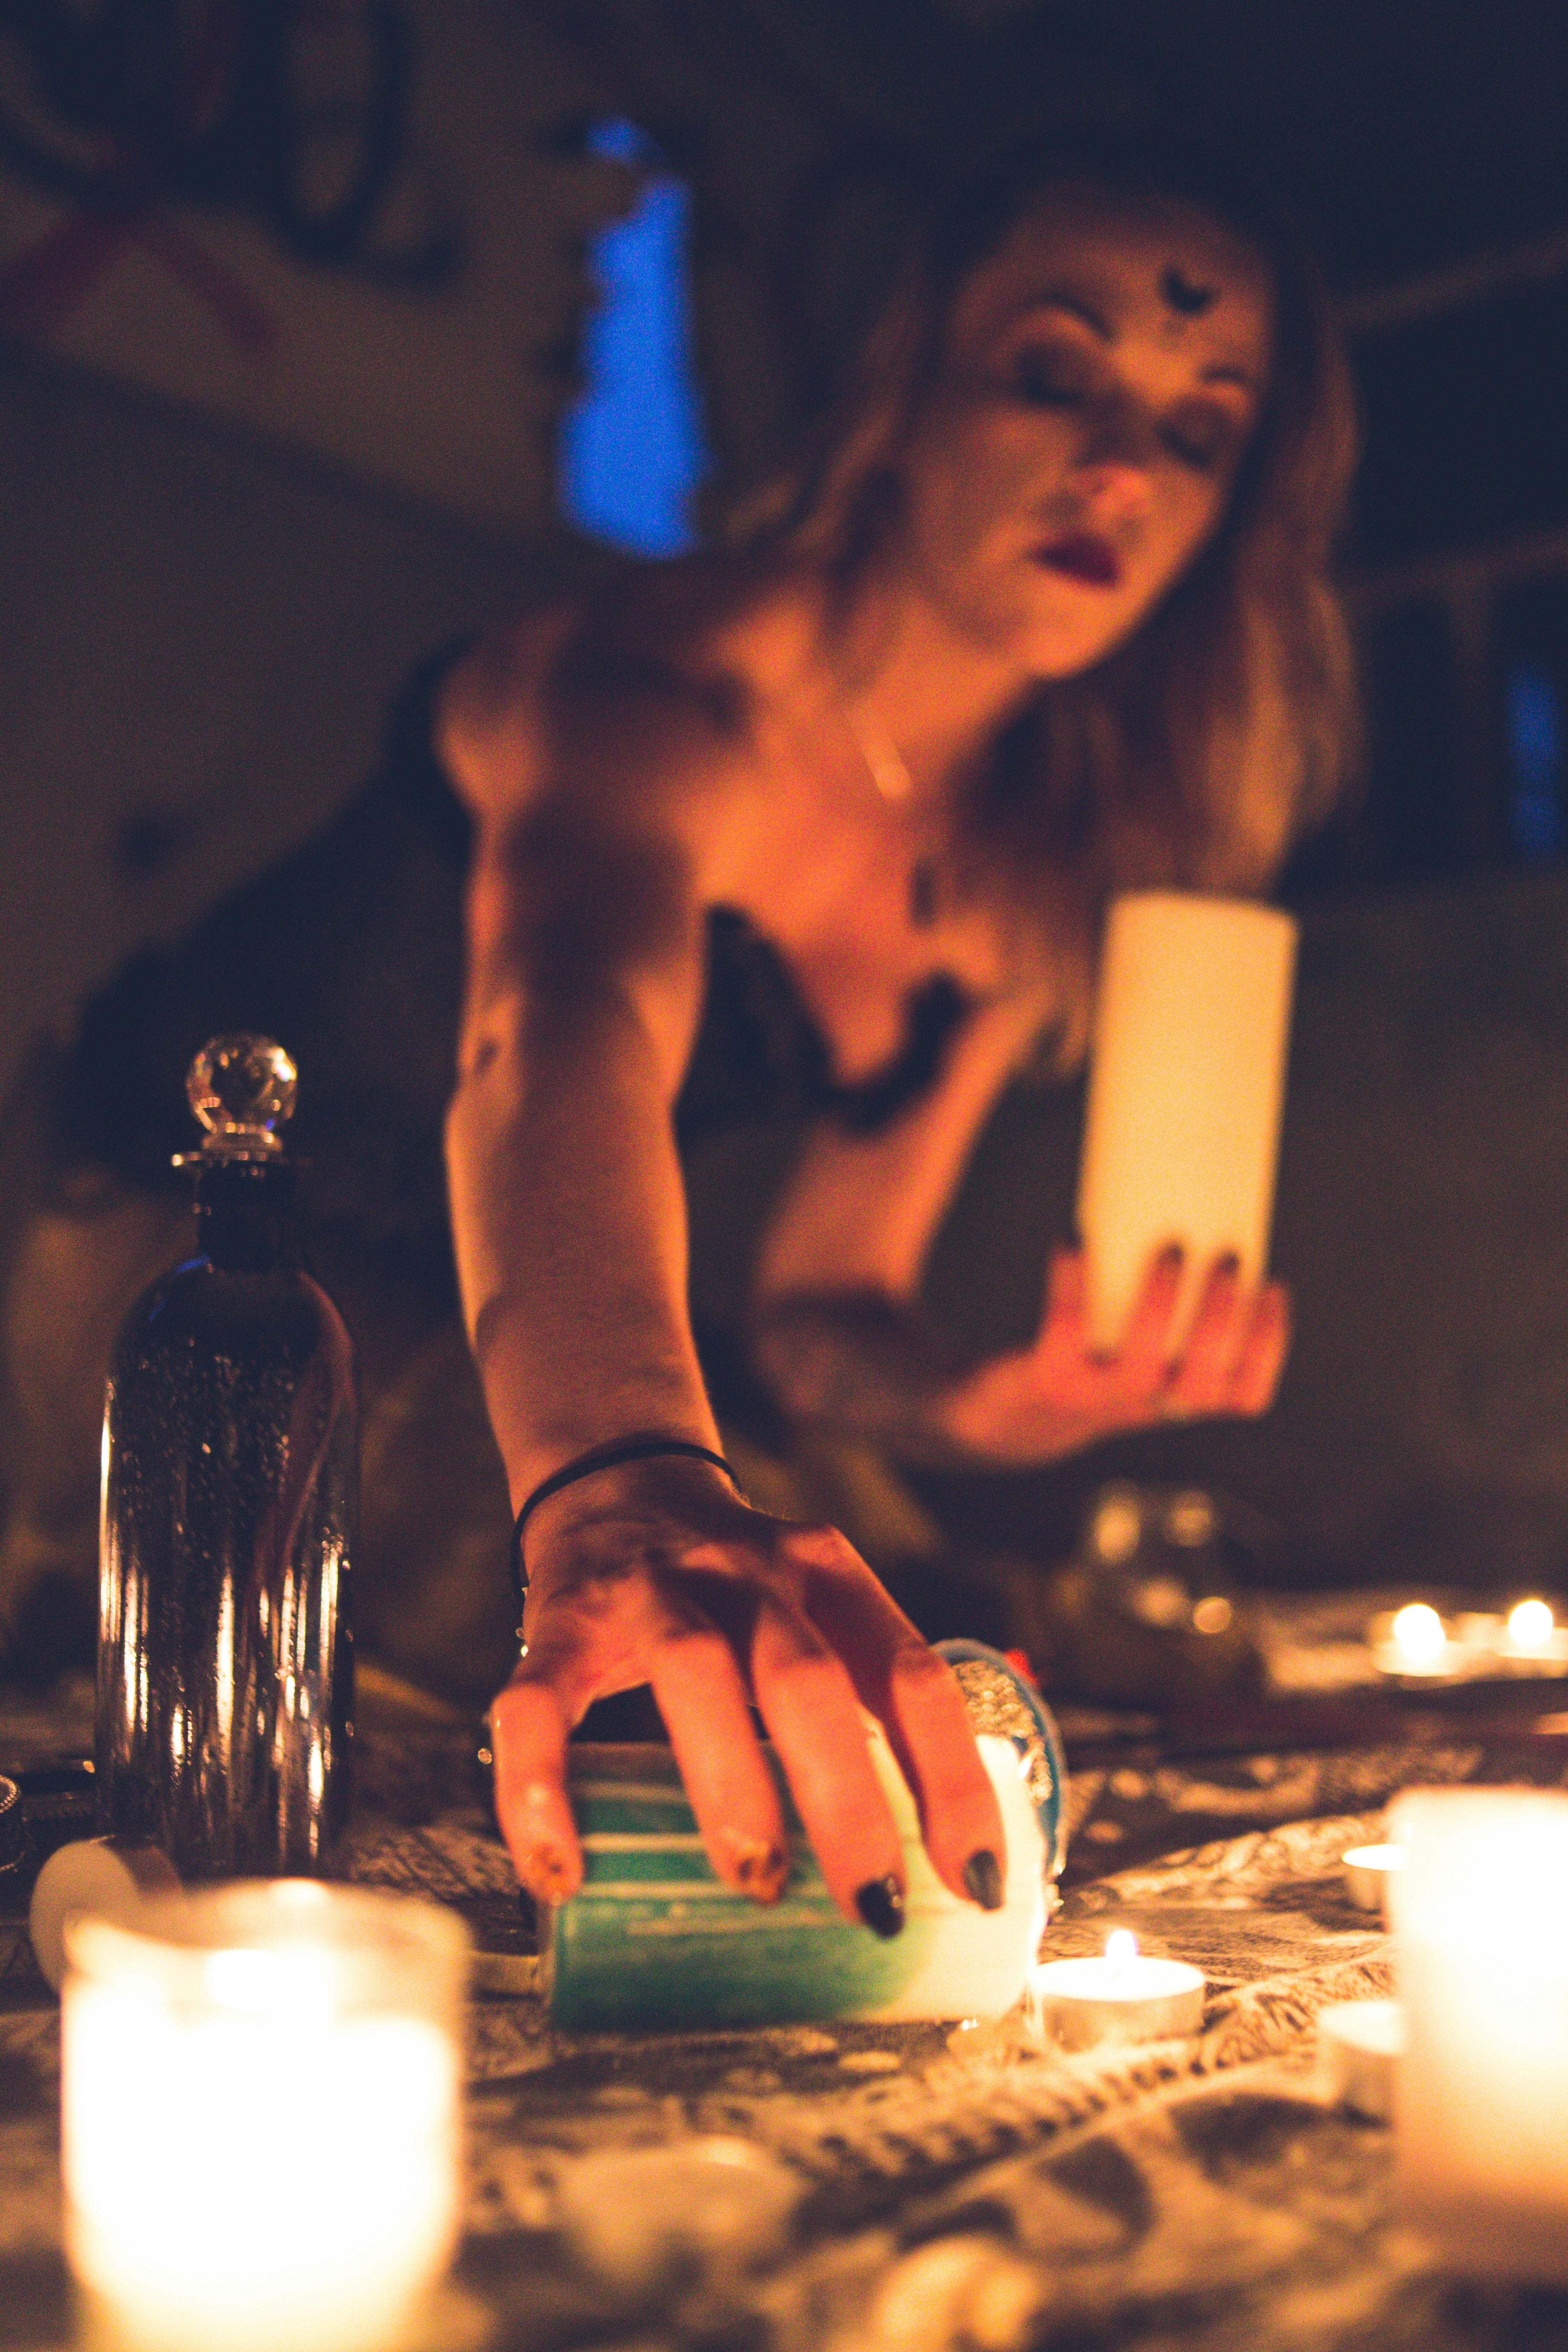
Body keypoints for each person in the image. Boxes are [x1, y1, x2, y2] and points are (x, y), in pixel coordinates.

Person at [437, 121, 1359, 1939]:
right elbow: (558, 1029)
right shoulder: (662, 685)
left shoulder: (1022, 871)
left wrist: (979, 1403)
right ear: (908, 394)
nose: (1120, 466)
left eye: (1197, 428)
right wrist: (625, 1472)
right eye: (1055, 372)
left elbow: (818, 1311)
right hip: (226, 1301)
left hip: (577, 1391)